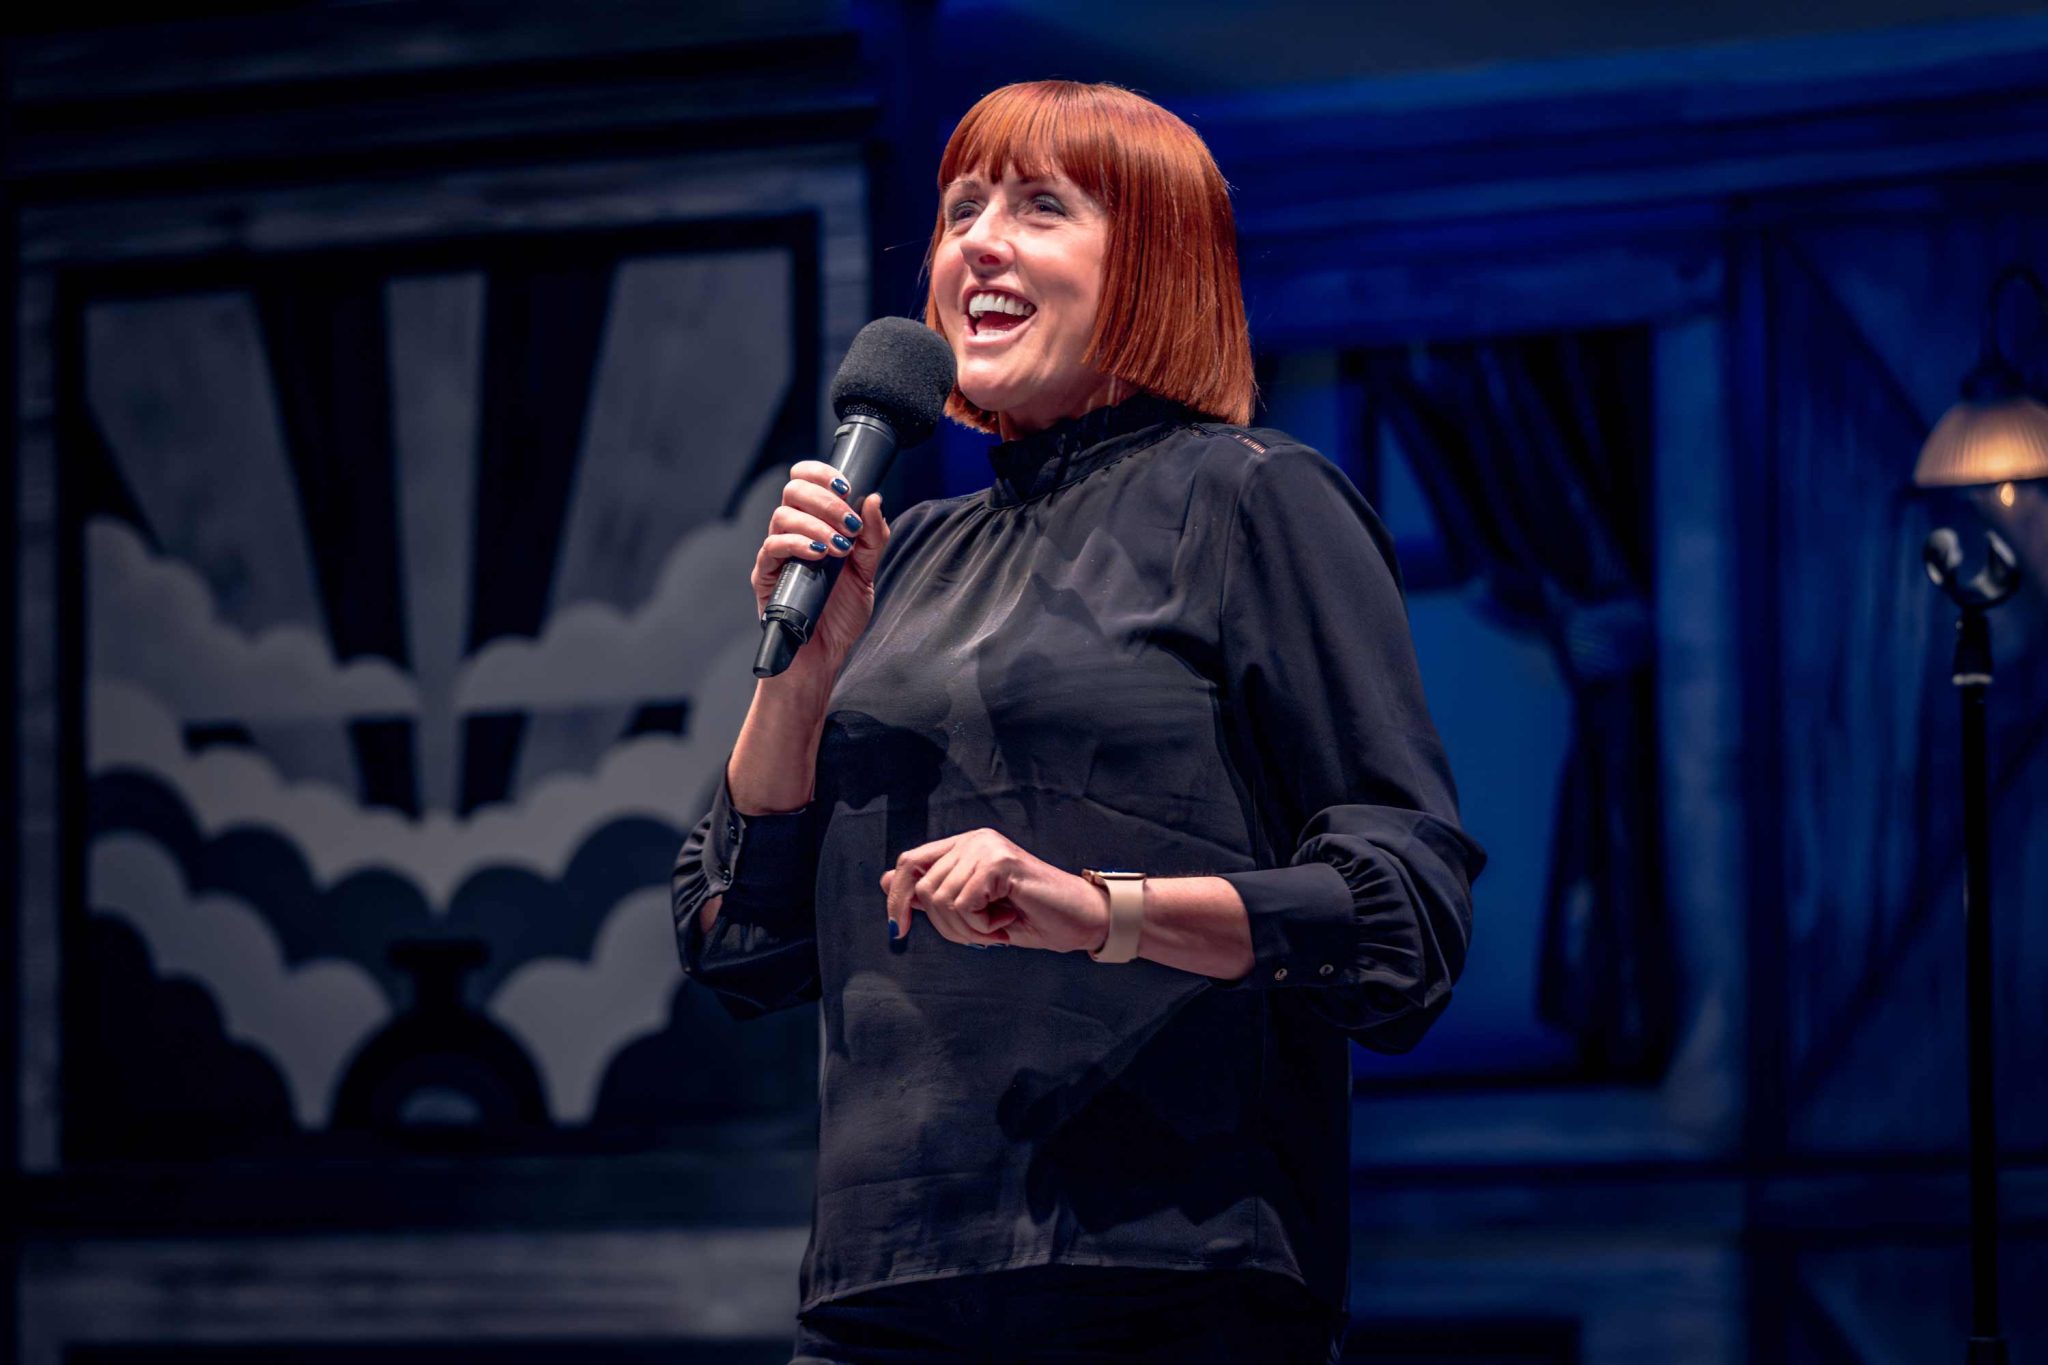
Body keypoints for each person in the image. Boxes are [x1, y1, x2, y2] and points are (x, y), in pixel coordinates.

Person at [671, 80, 1487, 1365]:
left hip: (1163, 1277)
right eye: (959, 211)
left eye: (1039, 209)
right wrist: (799, 673)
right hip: (881, 1295)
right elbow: (737, 943)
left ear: (1155, 265)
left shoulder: (1252, 501)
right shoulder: (907, 556)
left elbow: (1402, 919)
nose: (975, 245)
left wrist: (1100, 911)